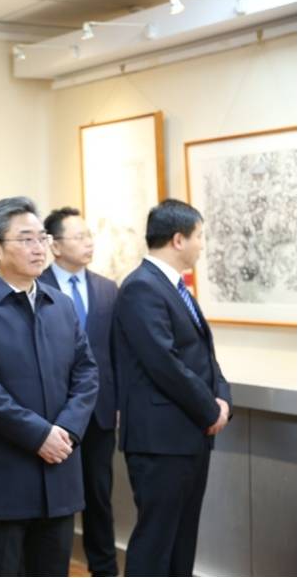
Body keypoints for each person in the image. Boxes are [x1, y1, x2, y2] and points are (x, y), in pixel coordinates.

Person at [0, 196, 98, 577]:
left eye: (42, 238)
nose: (39, 248)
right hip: (4, 477)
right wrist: (39, 435)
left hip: (59, 471)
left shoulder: (60, 304)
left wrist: (66, 430)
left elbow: (86, 373)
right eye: (26, 239)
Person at [115, 199, 231, 577]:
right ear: (178, 240)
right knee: (156, 544)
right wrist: (210, 409)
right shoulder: (141, 288)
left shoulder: (174, 287)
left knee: (182, 540)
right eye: (200, 236)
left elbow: (202, 354)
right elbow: (164, 363)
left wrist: (223, 398)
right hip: (160, 441)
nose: (203, 245)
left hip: (188, 435)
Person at [41, 207, 119, 577]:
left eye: (89, 236)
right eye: (79, 236)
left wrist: (119, 402)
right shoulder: (38, 286)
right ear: (55, 246)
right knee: (54, 500)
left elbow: (116, 352)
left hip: (100, 412)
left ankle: (104, 570)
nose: (89, 243)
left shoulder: (107, 288)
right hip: (53, 415)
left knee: (99, 497)